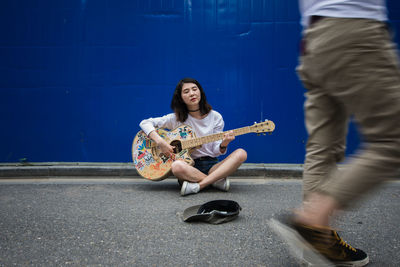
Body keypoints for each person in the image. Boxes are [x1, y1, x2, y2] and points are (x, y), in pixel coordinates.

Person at [270, 0, 400, 266]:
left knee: (322, 146)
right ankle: (312, 220)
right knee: (393, 142)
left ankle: (317, 245)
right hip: (355, 31)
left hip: (313, 41)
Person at [139, 77, 247, 196]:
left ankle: (199, 185)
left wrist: (224, 144)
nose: (192, 93)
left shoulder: (215, 117)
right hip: (189, 168)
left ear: (200, 91)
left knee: (241, 153)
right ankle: (215, 181)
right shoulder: (175, 118)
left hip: (212, 165)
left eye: (194, 89)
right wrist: (161, 142)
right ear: (180, 97)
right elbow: (145, 123)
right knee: (176, 166)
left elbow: (215, 151)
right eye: (186, 91)